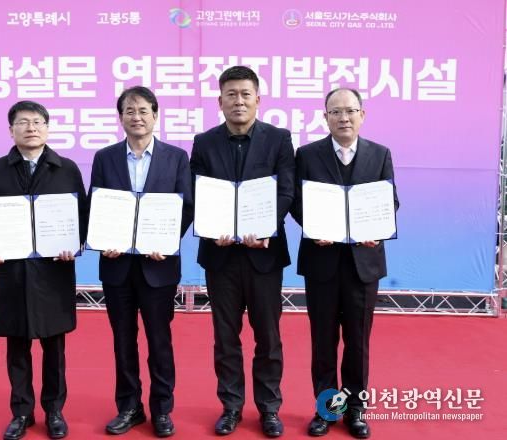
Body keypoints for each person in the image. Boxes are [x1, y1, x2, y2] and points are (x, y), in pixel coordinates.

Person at [0, 100, 87, 440]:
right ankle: (21, 412)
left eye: (37, 121)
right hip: (12, 272)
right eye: (23, 122)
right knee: (17, 346)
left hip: (53, 272)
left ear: (47, 128)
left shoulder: (66, 169)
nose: (31, 127)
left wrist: (75, 243)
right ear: (11, 130)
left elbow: (81, 215)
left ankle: (54, 412)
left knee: (54, 348)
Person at [190, 66, 295, 437]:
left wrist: (266, 227)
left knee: (268, 336)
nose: (238, 101)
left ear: (258, 99)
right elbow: (196, 191)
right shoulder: (204, 142)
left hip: (264, 254)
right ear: (219, 101)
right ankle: (231, 407)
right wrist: (209, 226)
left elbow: (286, 190)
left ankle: (269, 408)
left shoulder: (278, 139)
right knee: (225, 337)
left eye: (245, 94)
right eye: (231, 94)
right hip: (219, 256)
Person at [291, 88, 399, 439]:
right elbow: (296, 201)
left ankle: (355, 410)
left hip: (362, 265)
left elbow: (390, 202)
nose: (343, 118)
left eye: (350, 111)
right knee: (323, 342)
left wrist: (377, 230)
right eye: (335, 112)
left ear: (362, 115)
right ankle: (327, 410)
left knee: (358, 342)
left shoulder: (380, 154)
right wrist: (314, 226)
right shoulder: (307, 154)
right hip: (322, 261)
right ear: (325, 118)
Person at [89, 86, 193, 437]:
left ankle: (162, 409)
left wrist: (166, 240)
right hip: (117, 265)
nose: (137, 117)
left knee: (159, 339)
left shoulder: (176, 157)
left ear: (155, 115)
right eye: (129, 111)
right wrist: (102, 240)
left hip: (158, 265)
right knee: (123, 340)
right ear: (121, 118)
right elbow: (97, 204)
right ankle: (129, 407)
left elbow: (186, 206)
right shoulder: (105, 158)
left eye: (143, 110)